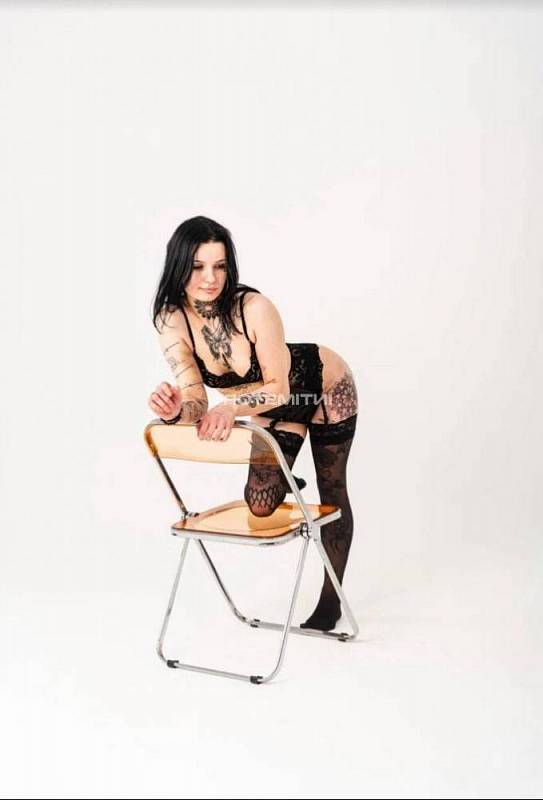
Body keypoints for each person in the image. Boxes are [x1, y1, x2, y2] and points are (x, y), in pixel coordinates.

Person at [148, 216, 358, 631]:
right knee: (261, 503)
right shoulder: (172, 319)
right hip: (265, 403)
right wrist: (174, 411)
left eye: (220, 266)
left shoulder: (254, 308)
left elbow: (278, 389)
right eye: (198, 266)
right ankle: (285, 476)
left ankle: (330, 604)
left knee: (332, 489)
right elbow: (196, 401)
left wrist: (229, 408)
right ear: (178, 265)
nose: (211, 278)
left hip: (320, 386)